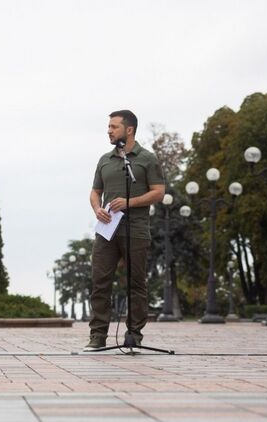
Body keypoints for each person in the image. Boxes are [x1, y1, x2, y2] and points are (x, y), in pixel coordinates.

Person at [84, 110, 165, 351]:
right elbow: (95, 192)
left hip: (136, 230)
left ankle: (134, 335)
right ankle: (98, 336)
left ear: (129, 130)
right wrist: (97, 208)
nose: (109, 131)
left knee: (136, 284)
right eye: (108, 126)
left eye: (114, 127)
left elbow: (158, 192)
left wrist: (130, 202)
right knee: (100, 281)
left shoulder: (146, 159)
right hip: (106, 231)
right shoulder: (105, 160)